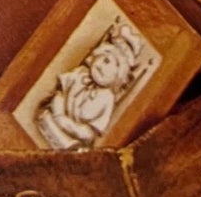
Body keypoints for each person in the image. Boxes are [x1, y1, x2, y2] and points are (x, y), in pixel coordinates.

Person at [35, 20, 151, 150]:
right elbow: (60, 92)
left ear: (118, 77)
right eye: (105, 59)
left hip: (75, 132)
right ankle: (55, 133)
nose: (103, 66)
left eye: (114, 66)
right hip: (59, 117)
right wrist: (59, 115)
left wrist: (72, 127)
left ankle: (68, 144)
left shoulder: (107, 98)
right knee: (47, 114)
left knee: (80, 141)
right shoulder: (81, 73)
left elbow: (92, 131)